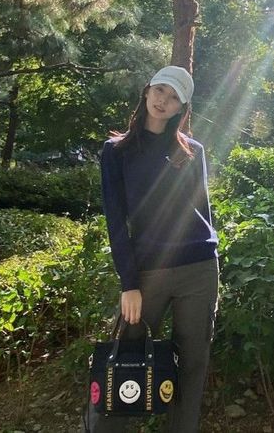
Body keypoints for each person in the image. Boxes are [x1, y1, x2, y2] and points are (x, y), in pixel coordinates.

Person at [85, 66, 220, 432]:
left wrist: (212, 251)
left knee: (192, 363)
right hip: (148, 273)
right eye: (160, 90)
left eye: (174, 97)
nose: (164, 100)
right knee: (125, 358)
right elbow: (116, 221)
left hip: (199, 268)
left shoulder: (192, 151)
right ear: (146, 91)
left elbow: (203, 209)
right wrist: (129, 283)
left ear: (181, 108)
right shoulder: (116, 151)